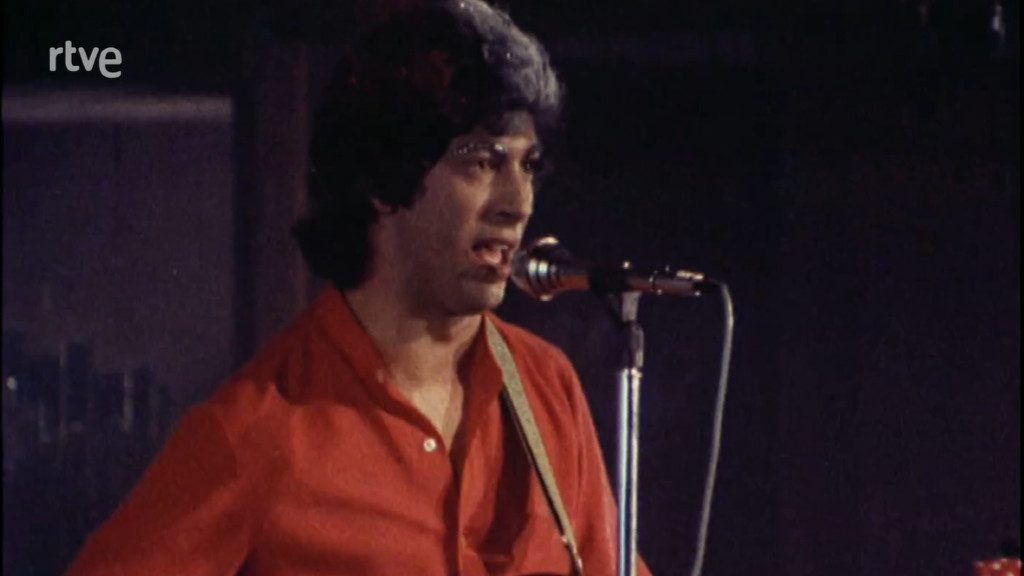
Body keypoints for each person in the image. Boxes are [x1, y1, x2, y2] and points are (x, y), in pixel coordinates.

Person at [65, 1, 653, 575]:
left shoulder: (548, 386)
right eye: (481, 162)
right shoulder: (256, 430)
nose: (518, 204)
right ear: (385, 180)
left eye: (527, 166)